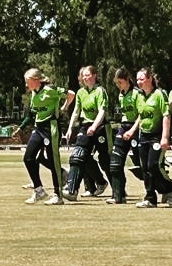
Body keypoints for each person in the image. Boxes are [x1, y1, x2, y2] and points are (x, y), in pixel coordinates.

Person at [18, 68, 75, 205]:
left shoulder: (50, 89)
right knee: (28, 158)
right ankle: (39, 191)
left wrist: (64, 107)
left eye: (28, 81)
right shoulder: (34, 93)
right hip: (38, 128)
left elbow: (71, 94)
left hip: (51, 128)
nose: (26, 84)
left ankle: (58, 195)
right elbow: (33, 113)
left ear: (36, 80)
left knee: (53, 161)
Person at [124, 68, 172, 208]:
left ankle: (171, 187)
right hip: (144, 135)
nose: (138, 82)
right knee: (145, 169)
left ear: (149, 79)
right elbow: (141, 116)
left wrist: (165, 137)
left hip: (157, 135)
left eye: (141, 79)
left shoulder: (160, 94)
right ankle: (150, 198)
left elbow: (166, 116)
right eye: (137, 79)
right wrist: (132, 130)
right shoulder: (139, 96)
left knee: (153, 166)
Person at [62, 65, 111, 201]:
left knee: (105, 160)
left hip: (100, 127)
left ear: (94, 76)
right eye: (83, 75)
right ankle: (72, 189)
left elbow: (102, 111)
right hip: (85, 126)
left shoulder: (100, 91)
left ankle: (118, 191)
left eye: (88, 75)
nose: (85, 78)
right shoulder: (81, 92)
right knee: (79, 156)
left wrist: (94, 127)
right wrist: (70, 128)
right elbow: (76, 111)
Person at [107, 67, 142, 203]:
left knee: (143, 165)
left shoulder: (137, 94)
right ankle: (118, 196)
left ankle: (165, 189)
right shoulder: (121, 94)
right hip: (124, 127)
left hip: (136, 128)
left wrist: (132, 130)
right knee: (115, 162)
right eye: (116, 83)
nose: (118, 85)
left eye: (120, 82)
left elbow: (141, 115)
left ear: (127, 79)